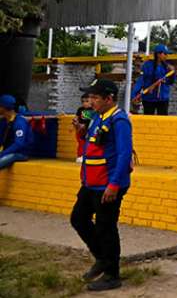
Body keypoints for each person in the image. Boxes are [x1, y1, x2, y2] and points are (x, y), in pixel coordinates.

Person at [70, 79, 133, 291]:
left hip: (108, 183)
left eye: (95, 98)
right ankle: (102, 258)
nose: (91, 102)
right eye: (90, 98)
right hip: (91, 181)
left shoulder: (119, 120)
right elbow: (93, 143)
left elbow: (124, 154)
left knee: (106, 227)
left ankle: (112, 274)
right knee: (78, 218)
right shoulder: (97, 117)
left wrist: (114, 184)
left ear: (109, 99)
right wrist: (80, 131)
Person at [132, 44, 176, 115]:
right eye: (164, 54)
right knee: (148, 121)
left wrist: (173, 74)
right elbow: (141, 81)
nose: (166, 56)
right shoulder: (147, 65)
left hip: (163, 99)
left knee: (162, 121)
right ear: (158, 54)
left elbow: (171, 82)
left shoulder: (167, 67)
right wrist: (134, 95)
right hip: (149, 98)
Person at [0, 95, 33, 170]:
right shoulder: (3, 121)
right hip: (6, 151)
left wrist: (2, 154)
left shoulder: (19, 122)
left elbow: (18, 144)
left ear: (3, 108)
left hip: (20, 153)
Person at [74, 94, 95, 162]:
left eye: (87, 101)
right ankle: (80, 155)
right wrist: (76, 122)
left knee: (87, 143)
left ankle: (85, 155)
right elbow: (76, 117)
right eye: (82, 102)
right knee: (81, 142)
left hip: (88, 129)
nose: (84, 103)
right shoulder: (80, 109)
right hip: (80, 129)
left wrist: (84, 126)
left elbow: (91, 120)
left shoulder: (92, 110)